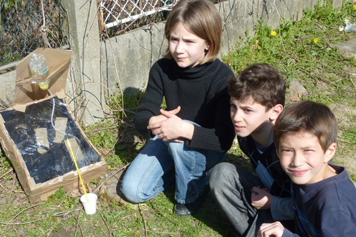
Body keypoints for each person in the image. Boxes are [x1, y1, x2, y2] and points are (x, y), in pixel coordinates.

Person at [119, 0, 235, 217]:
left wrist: (183, 129)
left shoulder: (222, 78)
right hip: (170, 138)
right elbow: (143, 116)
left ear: (208, 43)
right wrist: (155, 123)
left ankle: (190, 193)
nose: (179, 49)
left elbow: (224, 139)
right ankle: (179, 170)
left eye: (189, 41)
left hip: (207, 149)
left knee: (180, 134)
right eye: (174, 39)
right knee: (132, 190)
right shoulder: (161, 70)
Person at [209, 63, 294, 236]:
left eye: (247, 110)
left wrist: (274, 203)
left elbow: (314, 204)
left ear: (275, 111)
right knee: (221, 174)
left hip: (297, 217)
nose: (236, 117)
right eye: (234, 106)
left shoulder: (290, 150)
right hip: (269, 196)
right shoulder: (245, 134)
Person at [258, 100, 356, 237]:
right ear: (278, 151)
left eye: (307, 150)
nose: (297, 162)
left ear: (328, 152)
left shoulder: (333, 206)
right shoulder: (307, 174)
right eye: (288, 150)